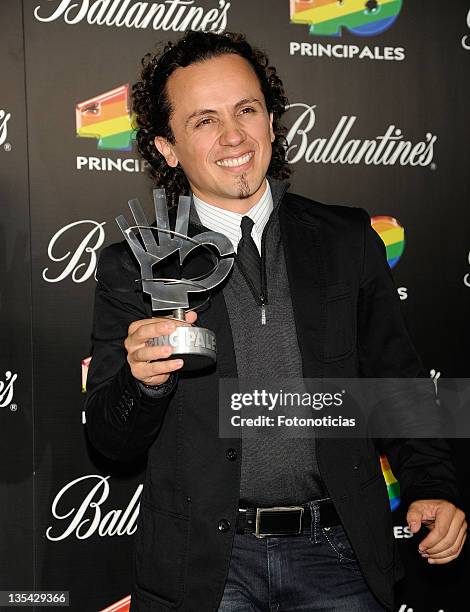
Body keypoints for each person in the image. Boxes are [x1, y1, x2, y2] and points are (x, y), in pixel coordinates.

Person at [85, 31, 466, 612]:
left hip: (340, 558)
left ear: (270, 120)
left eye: (246, 110)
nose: (234, 135)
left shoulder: (346, 239)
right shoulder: (133, 264)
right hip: (206, 569)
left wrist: (433, 485)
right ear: (166, 147)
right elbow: (110, 442)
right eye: (204, 120)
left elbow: (398, 382)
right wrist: (143, 381)